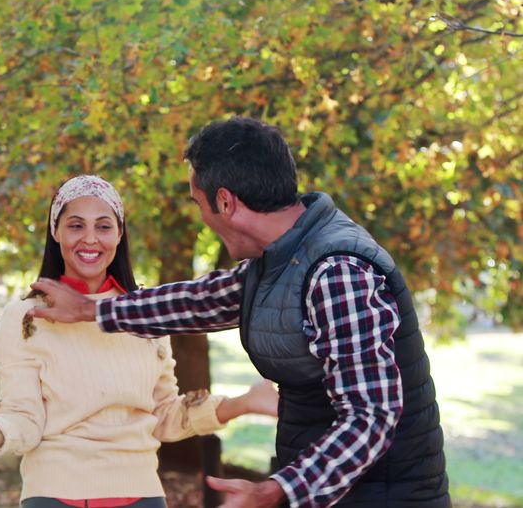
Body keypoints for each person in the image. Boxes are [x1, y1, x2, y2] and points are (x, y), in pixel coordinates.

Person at [29, 118, 451, 508]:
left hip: (387, 496)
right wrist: (89, 309)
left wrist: (279, 489)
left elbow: (372, 416)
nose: (201, 216)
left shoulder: (337, 273)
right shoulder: (282, 259)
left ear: (225, 202)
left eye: (199, 203)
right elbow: (200, 301)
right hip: (328, 490)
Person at [0, 175, 278, 508]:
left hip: (143, 496)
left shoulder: (143, 314)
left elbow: (166, 415)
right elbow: (23, 416)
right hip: (54, 496)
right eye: (75, 226)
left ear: (119, 234)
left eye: (103, 226)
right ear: (55, 232)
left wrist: (244, 402)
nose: (90, 239)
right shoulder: (25, 317)